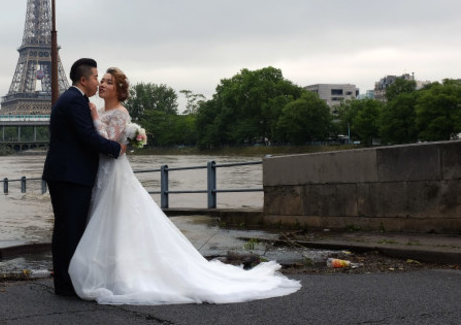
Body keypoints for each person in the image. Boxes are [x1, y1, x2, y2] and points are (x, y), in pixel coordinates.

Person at [69, 67, 301, 304]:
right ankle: (109, 271)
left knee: (118, 220)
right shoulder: (98, 110)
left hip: (115, 171)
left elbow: (108, 142)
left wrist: (96, 118)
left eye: (108, 82)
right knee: (107, 220)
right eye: (102, 81)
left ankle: (122, 274)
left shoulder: (119, 113)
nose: (102, 85)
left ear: (119, 89)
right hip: (101, 171)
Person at [42, 58, 125, 297]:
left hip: (66, 174)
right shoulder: (75, 102)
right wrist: (115, 149)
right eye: (97, 77)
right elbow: (87, 136)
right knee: (70, 230)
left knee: (66, 230)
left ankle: (67, 282)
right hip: (70, 176)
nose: (98, 81)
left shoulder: (71, 100)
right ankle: (68, 285)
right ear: (84, 79)